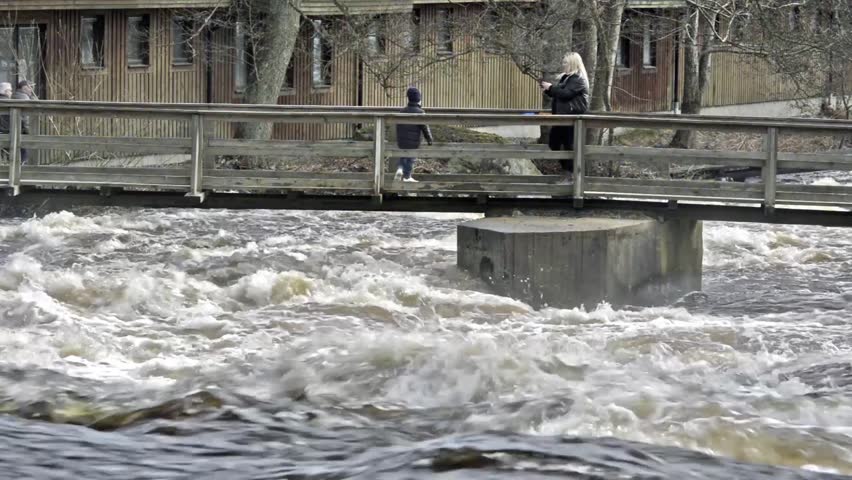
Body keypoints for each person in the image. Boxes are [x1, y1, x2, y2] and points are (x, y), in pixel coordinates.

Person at [540, 52, 590, 172]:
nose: (563, 65)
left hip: (572, 117)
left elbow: (566, 94)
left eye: (565, 62)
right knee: (554, 143)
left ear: (572, 64)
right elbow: (560, 94)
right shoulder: (566, 77)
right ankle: (567, 171)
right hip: (562, 117)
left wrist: (551, 88)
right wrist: (548, 90)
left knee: (569, 146)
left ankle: (572, 174)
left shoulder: (578, 79)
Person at [394, 87, 433, 183]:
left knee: (403, 156)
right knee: (410, 158)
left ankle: (399, 169)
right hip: (414, 141)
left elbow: (398, 125)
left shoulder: (402, 111)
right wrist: (429, 139)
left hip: (402, 140)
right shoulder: (420, 112)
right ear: (419, 99)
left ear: (408, 98)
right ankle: (407, 176)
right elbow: (425, 127)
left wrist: (399, 137)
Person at [12, 80, 34, 164]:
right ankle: (23, 167)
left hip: (15, 127)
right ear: (24, 88)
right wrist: (28, 130)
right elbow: (26, 117)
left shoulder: (14, 95)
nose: (31, 89)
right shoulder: (24, 97)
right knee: (24, 151)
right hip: (21, 128)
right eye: (30, 87)